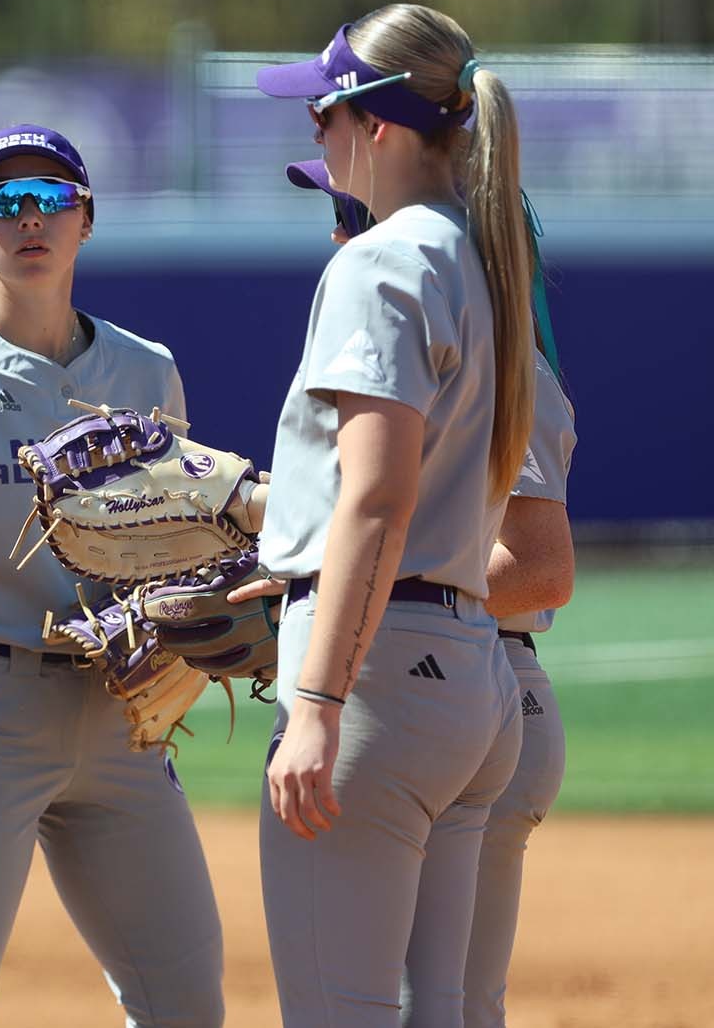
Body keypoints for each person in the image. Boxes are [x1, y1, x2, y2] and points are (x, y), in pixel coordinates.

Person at [0, 124, 223, 1027]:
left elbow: (183, 542)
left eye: (51, 199)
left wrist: (195, 614)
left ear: (86, 220)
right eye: (2, 202)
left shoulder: (145, 369)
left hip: (122, 710)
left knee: (187, 1004)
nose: (28, 218)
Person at [249, 4, 538, 1025]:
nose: (314, 132)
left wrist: (318, 699)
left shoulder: (379, 260)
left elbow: (376, 498)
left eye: (321, 113)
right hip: (467, 677)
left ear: (373, 123)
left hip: (376, 684)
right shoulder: (481, 255)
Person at [285, 156, 578, 1025]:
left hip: (478, 678)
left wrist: (362, 592)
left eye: (352, 210)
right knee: (442, 1008)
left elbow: (542, 566)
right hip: (461, 682)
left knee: (437, 1008)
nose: (338, 230)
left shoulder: (504, 371)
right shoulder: (434, 355)